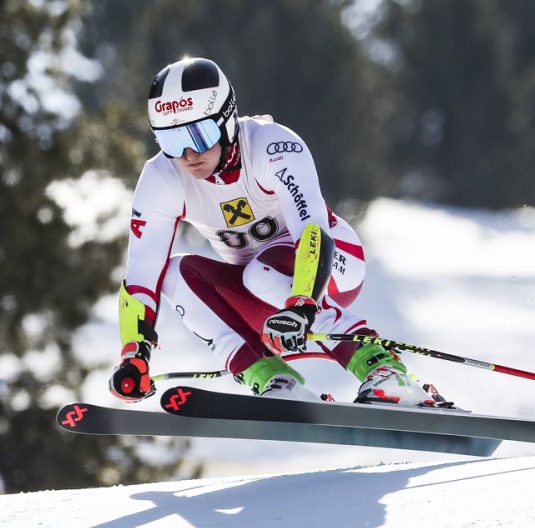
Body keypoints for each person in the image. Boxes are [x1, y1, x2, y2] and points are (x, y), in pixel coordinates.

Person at [108, 57, 449, 407]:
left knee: (260, 271)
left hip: (332, 267)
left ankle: (386, 373)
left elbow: (313, 233)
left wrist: (301, 303)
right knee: (175, 273)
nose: (188, 153)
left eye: (199, 134)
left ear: (226, 121)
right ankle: (275, 380)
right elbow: (141, 277)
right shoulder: (161, 178)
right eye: (171, 139)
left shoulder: (271, 145)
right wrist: (134, 353)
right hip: (265, 293)